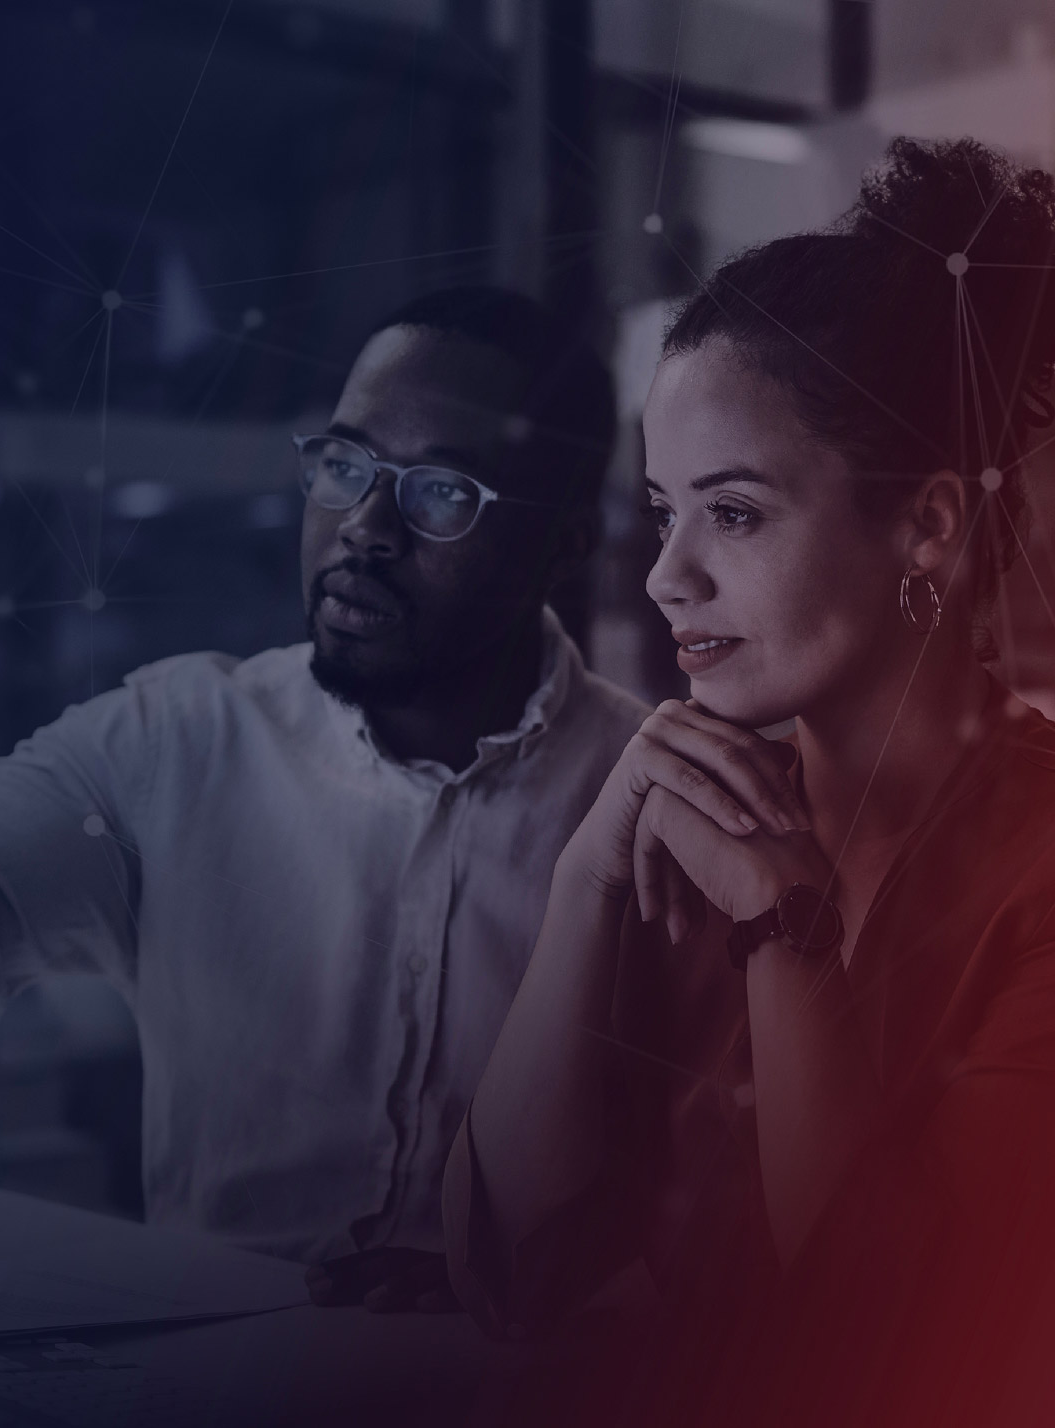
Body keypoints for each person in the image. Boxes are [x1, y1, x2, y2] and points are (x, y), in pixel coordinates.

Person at [443, 138, 1055, 1425]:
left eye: (732, 513)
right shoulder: (689, 820)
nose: (669, 576)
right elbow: (515, 1276)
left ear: (927, 527)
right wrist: (585, 880)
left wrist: (787, 928)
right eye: (661, 510)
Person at [0, 286, 649, 1309]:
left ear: (567, 541)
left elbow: (733, 1210)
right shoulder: (172, 740)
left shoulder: (651, 805)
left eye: (441, 491)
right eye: (346, 466)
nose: (365, 526)